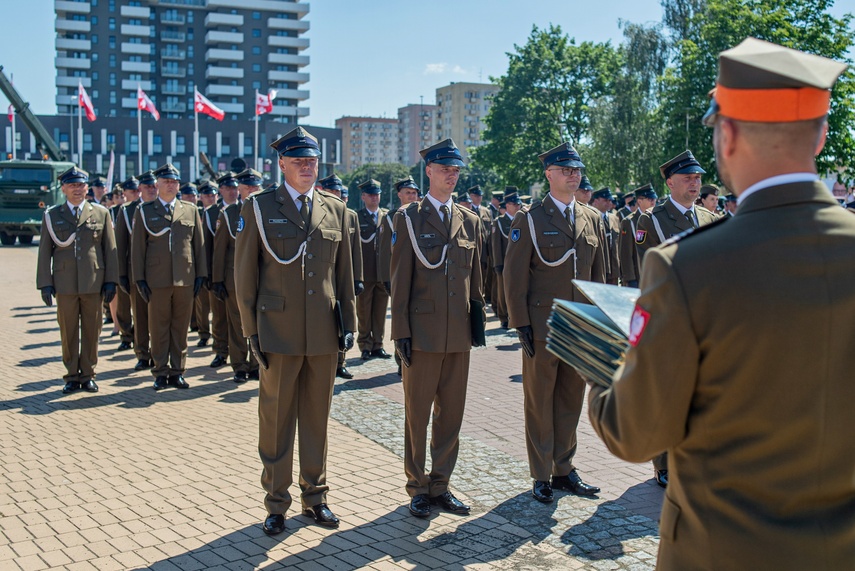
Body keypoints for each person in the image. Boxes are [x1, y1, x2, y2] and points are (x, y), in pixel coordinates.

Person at [588, 38, 853, 570]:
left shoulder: (686, 267)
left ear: (727, 134)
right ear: (822, 135)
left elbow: (636, 434)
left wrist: (599, 363)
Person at [234, 127, 356, 535]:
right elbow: (245, 276)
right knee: (276, 420)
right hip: (278, 332)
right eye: (299, 161)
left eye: (313, 161)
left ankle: (315, 496)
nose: (307, 167)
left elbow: (344, 276)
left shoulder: (335, 209)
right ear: (282, 164)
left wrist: (348, 327)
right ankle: (276, 502)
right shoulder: (259, 207)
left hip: (323, 333)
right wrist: (252, 331)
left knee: (317, 420)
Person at [503, 142, 605, 504]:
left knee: (569, 401)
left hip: (579, 327)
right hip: (543, 326)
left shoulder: (592, 217)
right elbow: (514, 278)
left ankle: (564, 468)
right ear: (549, 175)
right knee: (539, 401)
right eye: (566, 170)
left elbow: (599, 278)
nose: (574, 175)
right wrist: (521, 325)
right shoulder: (529, 218)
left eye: (577, 170)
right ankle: (541, 473)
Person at [391, 138, 484, 519]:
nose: (451, 174)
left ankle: (441, 484)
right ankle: (417, 485)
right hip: (423, 333)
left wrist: (477, 327)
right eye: (444, 168)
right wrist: (400, 333)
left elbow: (474, 281)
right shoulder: (409, 219)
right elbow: (399, 281)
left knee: (451, 415)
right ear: (427, 171)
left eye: (455, 169)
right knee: (418, 413)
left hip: (457, 335)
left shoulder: (470, 219)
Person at [633, 150, 719, 487]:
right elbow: (646, 273)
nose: (695, 183)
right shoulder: (652, 220)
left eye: (698, 178)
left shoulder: (710, 218)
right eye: (688, 178)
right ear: (670, 182)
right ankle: (664, 463)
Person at [37, 167, 118, 394]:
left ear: (87, 188)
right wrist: (45, 283)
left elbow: (109, 250)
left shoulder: (101, 213)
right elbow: (45, 252)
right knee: (69, 331)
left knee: (92, 331)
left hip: (93, 282)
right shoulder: (53, 215)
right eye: (72, 185)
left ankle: (89, 374)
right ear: (63, 188)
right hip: (65, 284)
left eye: (81, 185)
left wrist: (111, 281)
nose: (77, 190)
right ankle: (72, 376)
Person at [131, 163, 206, 391]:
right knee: (159, 327)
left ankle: (177, 371)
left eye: (174, 182)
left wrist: (201, 274)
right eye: (166, 182)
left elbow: (199, 246)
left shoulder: (190, 210)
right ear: (158, 185)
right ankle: (160, 371)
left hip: (185, 278)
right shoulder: (145, 211)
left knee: (180, 328)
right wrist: (140, 279)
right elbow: (137, 249)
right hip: (158, 279)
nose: (171, 186)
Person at [212, 170, 261, 383]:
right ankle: (240, 366)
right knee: (237, 325)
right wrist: (217, 280)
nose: (250, 191)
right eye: (246, 187)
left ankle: (257, 365)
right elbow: (220, 250)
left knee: (259, 324)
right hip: (235, 280)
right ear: (238, 189)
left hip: (262, 279)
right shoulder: (229, 214)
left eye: (254, 187)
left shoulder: (267, 211)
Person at [319, 174, 363, 380]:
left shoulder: (349, 214)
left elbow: (355, 250)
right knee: (328, 322)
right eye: (331, 191)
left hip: (344, 276)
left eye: (338, 191)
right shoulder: (317, 212)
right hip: (325, 277)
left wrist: (358, 277)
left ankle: (341, 362)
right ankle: (328, 360)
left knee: (344, 319)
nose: (335, 195)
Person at [356, 179, 391, 361]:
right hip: (365, 273)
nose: (374, 198)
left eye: (376, 194)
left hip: (382, 273)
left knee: (380, 311)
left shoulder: (387, 216)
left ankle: (378, 344)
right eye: (370, 195)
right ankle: (364, 345)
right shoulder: (357, 217)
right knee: (363, 311)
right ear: (363, 197)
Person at [491, 188, 522, 329]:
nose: (517, 207)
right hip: (504, 262)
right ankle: (504, 317)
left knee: (518, 290)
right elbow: (496, 244)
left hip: (519, 263)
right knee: (503, 291)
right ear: (507, 205)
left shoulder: (522, 220)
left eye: (518, 205)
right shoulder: (500, 222)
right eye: (514, 205)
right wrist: (498, 264)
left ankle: (516, 315)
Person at [618, 184, 657, 288]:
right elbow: (626, 253)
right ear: (639, 201)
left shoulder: (657, 218)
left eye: (654, 198)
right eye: (649, 199)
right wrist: (630, 279)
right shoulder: (629, 221)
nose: (653, 201)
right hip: (639, 276)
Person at [591, 188, 621, 285]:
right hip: (599, 268)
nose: (609, 203)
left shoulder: (614, 218)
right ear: (596, 201)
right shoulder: (591, 218)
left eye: (609, 200)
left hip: (614, 268)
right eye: (605, 200)